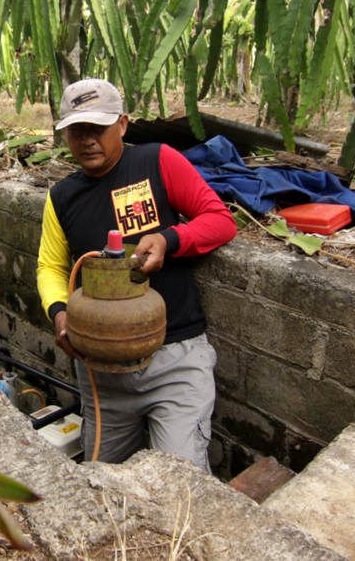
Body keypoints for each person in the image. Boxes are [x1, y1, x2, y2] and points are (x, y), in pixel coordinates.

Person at [36, 78, 236, 472]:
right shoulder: (62, 197)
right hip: (101, 371)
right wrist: (59, 312)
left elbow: (219, 221)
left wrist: (169, 239)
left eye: (98, 128)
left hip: (174, 359)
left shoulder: (157, 161)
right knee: (101, 480)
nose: (87, 140)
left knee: (181, 482)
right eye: (77, 130)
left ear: (123, 125)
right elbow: (52, 266)